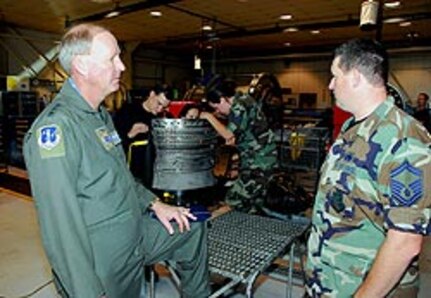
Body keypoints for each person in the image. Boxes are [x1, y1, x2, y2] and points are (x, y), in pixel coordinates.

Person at [23, 23, 209, 298]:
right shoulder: (57, 129)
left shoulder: (100, 117)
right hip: (103, 255)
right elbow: (60, 228)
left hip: (134, 231)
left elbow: (120, 177)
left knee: (192, 228)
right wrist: (87, 292)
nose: (122, 66)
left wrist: (155, 203)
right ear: (82, 66)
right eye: (112, 58)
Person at [305, 38, 431, 297]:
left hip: (363, 288)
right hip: (329, 281)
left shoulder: (404, 139)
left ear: (355, 77)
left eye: (334, 76)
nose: (330, 85)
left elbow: (405, 242)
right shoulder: (354, 128)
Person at [200, 75, 278, 213]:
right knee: (254, 204)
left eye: (217, 106)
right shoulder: (243, 99)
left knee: (234, 199)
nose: (217, 111)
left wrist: (208, 116)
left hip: (260, 163)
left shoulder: (239, 107)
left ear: (223, 99)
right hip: (259, 160)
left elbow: (229, 136)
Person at [114, 86, 170, 188]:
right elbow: (110, 142)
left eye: (164, 107)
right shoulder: (126, 112)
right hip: (130, 174)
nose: (160, 109)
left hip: (154, 174)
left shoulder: (162, 119)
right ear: (152, 94)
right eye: (159, 103)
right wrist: (130, 134)